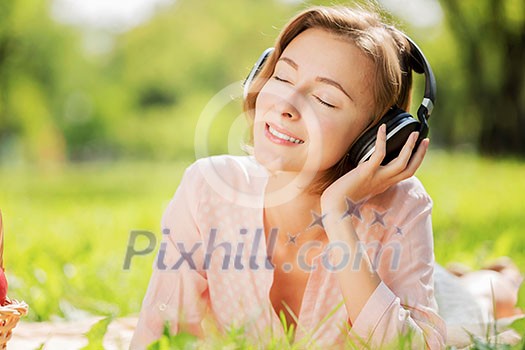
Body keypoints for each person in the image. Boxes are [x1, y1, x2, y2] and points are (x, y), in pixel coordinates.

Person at [130, 5, 447, 349]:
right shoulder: (208, 188)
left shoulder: (402, 204)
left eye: (325, 99)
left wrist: (337, 212)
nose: (285, 104)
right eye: (282, 77)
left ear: (375, 136)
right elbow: (160, 336)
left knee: (479, 304)